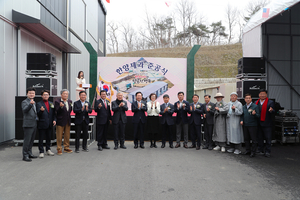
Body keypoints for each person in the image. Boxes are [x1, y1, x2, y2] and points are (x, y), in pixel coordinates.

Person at [36, 90, 56, 158]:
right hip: (42, 123)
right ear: (42, 96)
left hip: (50, 123)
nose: (46, 96)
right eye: (44, 95)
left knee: (48, 138)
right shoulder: (39, 104)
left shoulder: (51, 103)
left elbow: (53, 113)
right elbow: (38, 114)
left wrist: (54, 120)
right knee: (41, 138)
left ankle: (48, 149)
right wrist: (41, 111)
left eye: (47, 95)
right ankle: (41, 151)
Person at [255, 89, 275, 158]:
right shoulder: (256, 102)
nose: (262, 95)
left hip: (267, 123)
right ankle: (260, 149)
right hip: (258, 123)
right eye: (261, 94)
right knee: (259, 137)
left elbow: (274, 111)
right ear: (259, 95)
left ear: (266, 95)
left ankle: (267, 151)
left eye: (263, 94)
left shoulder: (270, 102)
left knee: (268, 138)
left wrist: (271, 110)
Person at [240, 93, 260, 157]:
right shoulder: (244, 107)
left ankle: (253, 152)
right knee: (246, 138)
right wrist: (241, 120)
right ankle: (247, 150)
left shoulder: (255, 106)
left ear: (251, 99)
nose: (248, 99)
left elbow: (258, 115)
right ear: (245, 99)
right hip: (245, 125)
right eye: (246, 98)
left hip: (253, 125)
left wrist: (255, 114)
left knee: (253, 139)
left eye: (249, 98)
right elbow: (242, 115)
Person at [21, 87, 38, 162]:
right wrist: (30, 105)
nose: (31, 94)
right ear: (27, 94)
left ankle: (30, 153)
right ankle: (25, 155)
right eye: (30, 93)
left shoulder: (34, 102)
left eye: (33, 93)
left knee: (31, 140)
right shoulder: (25, 102)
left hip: (34, 123)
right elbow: (25, 110)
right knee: (27, 141)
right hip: (28, 124)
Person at [54, 89, 73, 155]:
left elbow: (70, 111)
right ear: (61, 94)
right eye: (64, 94)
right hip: (60, 120)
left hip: (68, 120)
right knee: (59, 135)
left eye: (66, 94)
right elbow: (56, 111)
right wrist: (61, 107)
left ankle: (66, 147)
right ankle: (59, 148)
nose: (65, 95)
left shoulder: (70, 101)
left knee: (67, 135)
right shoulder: (57, 101)